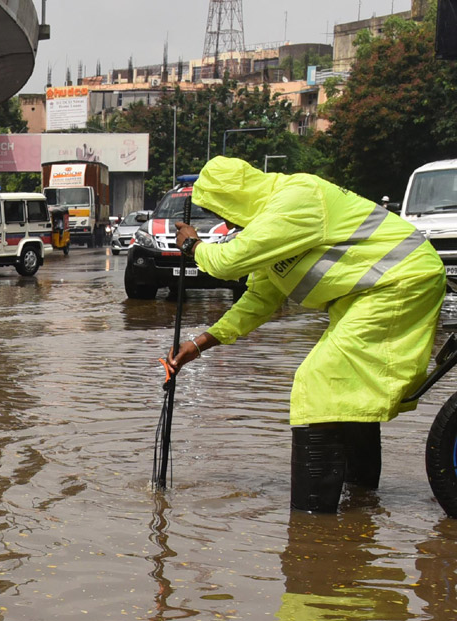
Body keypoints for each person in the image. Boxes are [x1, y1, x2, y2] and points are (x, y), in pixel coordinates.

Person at [167, 156, 446, 514]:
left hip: (400, 283)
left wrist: (192, 246)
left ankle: (314, 520)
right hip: (370, 293)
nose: (225, 221)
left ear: (235, 197)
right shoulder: (269, 228)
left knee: (317, 382)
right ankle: (361, 502)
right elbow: (259, 299)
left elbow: (227, 263)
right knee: (347, 392)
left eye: (223, 211)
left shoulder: (296, 198)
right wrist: (200, 344)